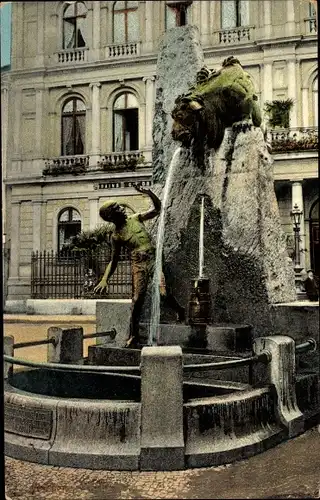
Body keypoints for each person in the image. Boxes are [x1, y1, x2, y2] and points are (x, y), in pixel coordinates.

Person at [94, 183, 185, 348]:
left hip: (153, 259)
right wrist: (105, 279)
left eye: (120, 207)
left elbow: (158, 209)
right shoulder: (116, 236)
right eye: (117, 209)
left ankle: (179, 310)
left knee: (163, 293)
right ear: (111, 216)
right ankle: (133, 335)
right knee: (136, 300)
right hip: (138, 263)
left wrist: (149, 193)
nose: (122, 209)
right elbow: (113, 260)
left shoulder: (135, 218)